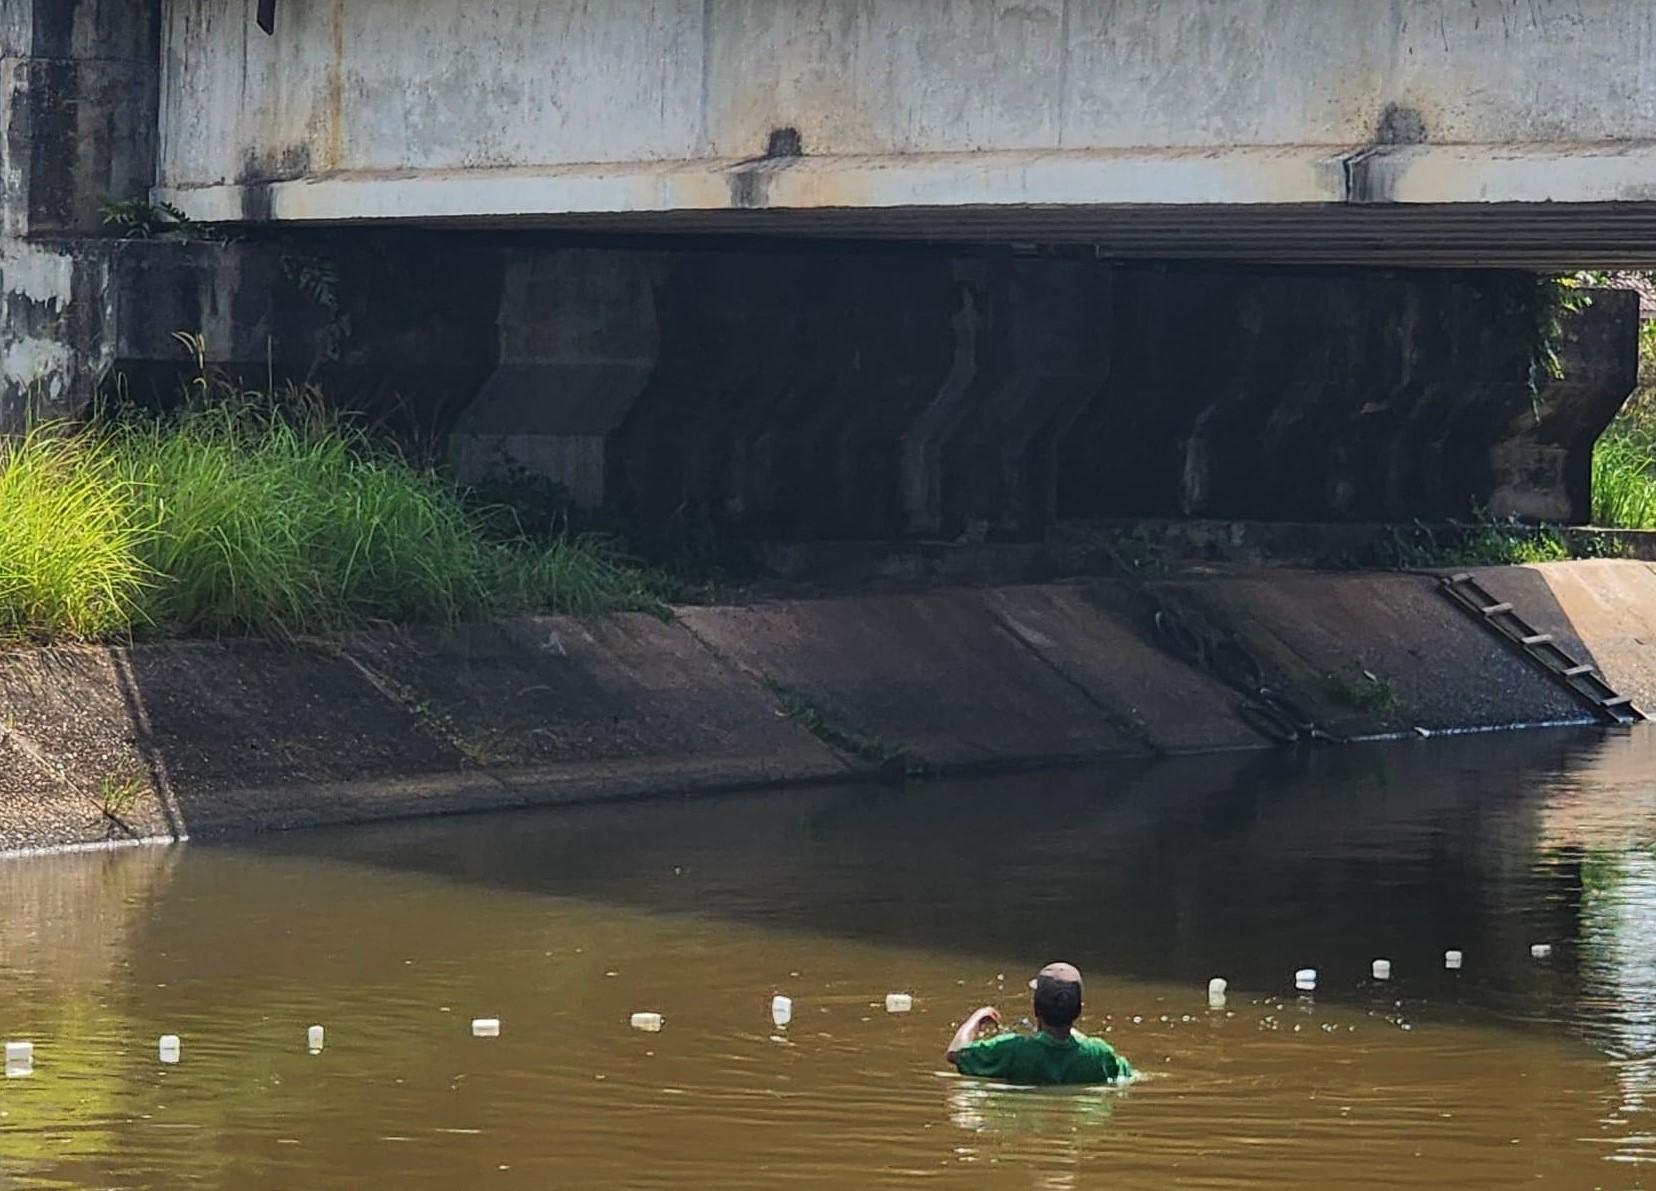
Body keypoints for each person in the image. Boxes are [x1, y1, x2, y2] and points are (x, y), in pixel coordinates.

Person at [945, 961, 1132, 1086]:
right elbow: (1126, 1073)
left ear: (1036, 1009)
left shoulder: (1013, 1049)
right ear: (1078, 1011)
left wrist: (977, 1017)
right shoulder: (1098, 1053)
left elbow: (955, 1054)